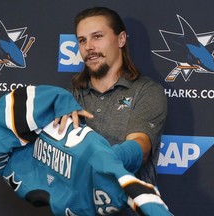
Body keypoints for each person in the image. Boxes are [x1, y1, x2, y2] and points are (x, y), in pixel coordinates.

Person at [54, 7, 168, 214]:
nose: (89, 47)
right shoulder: (68, 98)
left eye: (97, 37)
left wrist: (99, 159)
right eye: (82, 40)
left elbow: (140, 147)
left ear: (121, 39)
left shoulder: (147, 91)